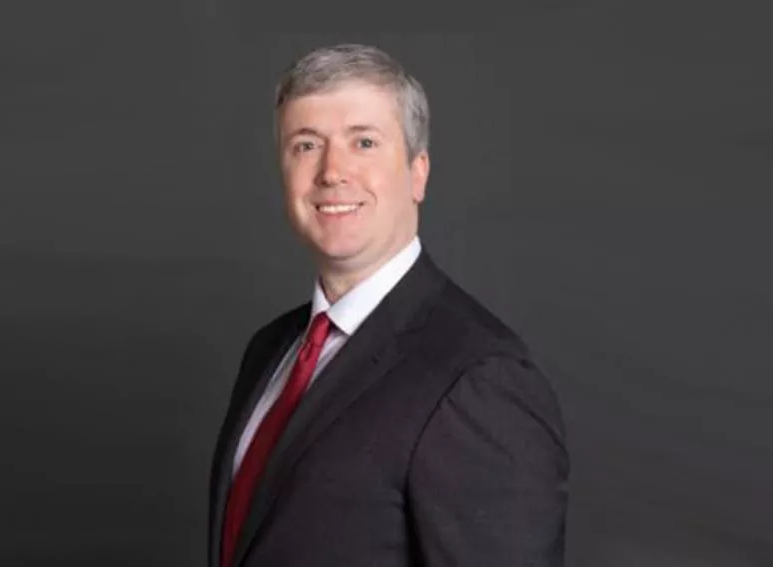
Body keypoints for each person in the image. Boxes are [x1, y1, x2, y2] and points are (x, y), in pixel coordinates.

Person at [208, 43, 569, 567]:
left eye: (364, 142)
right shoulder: (270, 350)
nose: (332, 171)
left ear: (418, 173)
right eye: (306, 145)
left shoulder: (479, 378)